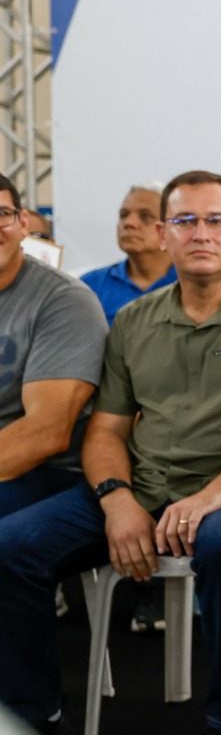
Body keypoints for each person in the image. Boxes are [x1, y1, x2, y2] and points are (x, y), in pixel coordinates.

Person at [0, 170, 221, 735]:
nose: (200, 233)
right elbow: (105, 430)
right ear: (163, 234)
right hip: (143, 486)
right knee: (12, 547)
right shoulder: (132, 321)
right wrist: (116, 500)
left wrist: (208, 498)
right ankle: (36, 721)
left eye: (215, 221)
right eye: (184, 221)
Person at [0, 172, 106, 527]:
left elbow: (46, 433)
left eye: (1, 214)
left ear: (23, 224)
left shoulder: (63, 301)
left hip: (45, 473)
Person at [78, 183, 177, 324]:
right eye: (123, 215)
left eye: (146, 216)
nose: (129, 223)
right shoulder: (90, 286)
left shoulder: (192, 283)